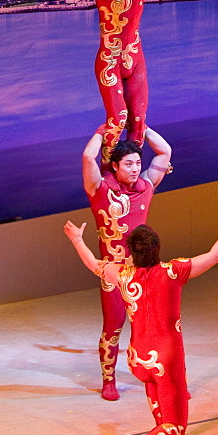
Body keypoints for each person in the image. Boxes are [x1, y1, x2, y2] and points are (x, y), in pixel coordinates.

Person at [64, 206, 218, 435]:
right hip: (166, 357)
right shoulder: (173, 272)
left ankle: (160, 428)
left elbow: (93, 264)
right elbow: (214, 256)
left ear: (131, 252)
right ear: (157, 249)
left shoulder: (122, 275)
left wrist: (77, 239)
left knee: (153, 387)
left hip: (138, 358)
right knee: (178, 427)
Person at [82, 127, 172, 400]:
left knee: (153, 326)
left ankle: (158, 376)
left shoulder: (146, 187)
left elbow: (165, 151)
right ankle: (108, 380)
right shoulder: (99, 188)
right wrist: (101, 132)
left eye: (137, 163)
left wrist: (141, 126)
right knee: (113, 325)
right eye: (129, 164)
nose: (135, 169)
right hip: (113, 273)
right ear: (115, 165)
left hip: (144, 273)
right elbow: (88, 157)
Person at [91, 0, 163, 163]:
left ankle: (130, 168)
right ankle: (107, 167)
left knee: (139, 120)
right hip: (109, 59)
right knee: (118, 117)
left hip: (134, 56)